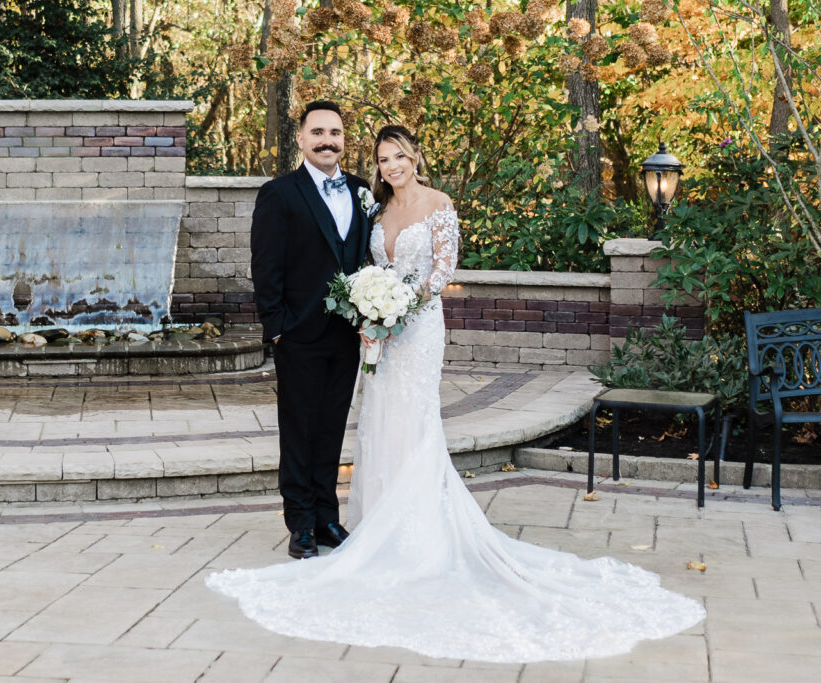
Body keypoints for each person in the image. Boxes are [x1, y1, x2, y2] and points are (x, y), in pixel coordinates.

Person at [207, 125, 705, 662]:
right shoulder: (369, 205)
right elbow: (350, 266)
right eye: (384, 158)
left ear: (415, 156)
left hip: (416, 329)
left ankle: (398, 528)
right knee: (375, 419)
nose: (392, 164)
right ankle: (355, 521)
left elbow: (445, 267)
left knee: (413, 421)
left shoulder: (435, 202)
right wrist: (363, 309)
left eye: (399, 155)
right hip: (374, 330)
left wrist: (401, 302)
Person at [248, 101, 371, 560]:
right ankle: (299, 524)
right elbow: (265, 266)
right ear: (300, 139)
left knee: (331, 430)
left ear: (344, 139)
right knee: (298, 431)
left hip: (346, 336)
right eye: (317, 132)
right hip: (298, 336)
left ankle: (326, 518)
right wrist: (277, 329)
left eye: (335, 132)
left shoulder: (360, 191)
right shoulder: (279, 194)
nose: (327, 140)